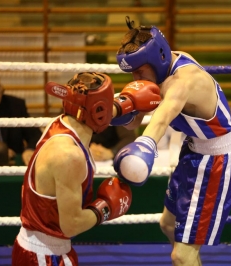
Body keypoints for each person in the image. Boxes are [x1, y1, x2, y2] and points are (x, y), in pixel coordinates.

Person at [113, 17, 231, 265]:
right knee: (168, 224)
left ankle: (187, 257)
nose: (135, 78)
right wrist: (103, 112)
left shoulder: (183, 82)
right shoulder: (158, 70)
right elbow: (132, 119)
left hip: (216, 160)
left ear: (157, 59)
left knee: (181, 255)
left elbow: (160, 120)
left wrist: (145, 144)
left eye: (139, 72)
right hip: (192, 150)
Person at [11, 72, 161, 265]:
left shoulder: (61, 123)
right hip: (45, 256)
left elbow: (97, 112)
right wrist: (105, 208)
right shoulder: (68, 156)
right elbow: (71, 225)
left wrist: (127, 103)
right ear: (98, 110)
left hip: (42, 247)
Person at [0, 71, 42, 165]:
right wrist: (1, 152)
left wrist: (29, 150)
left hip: (13, 165)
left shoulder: (15, 106)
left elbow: (35, 135)